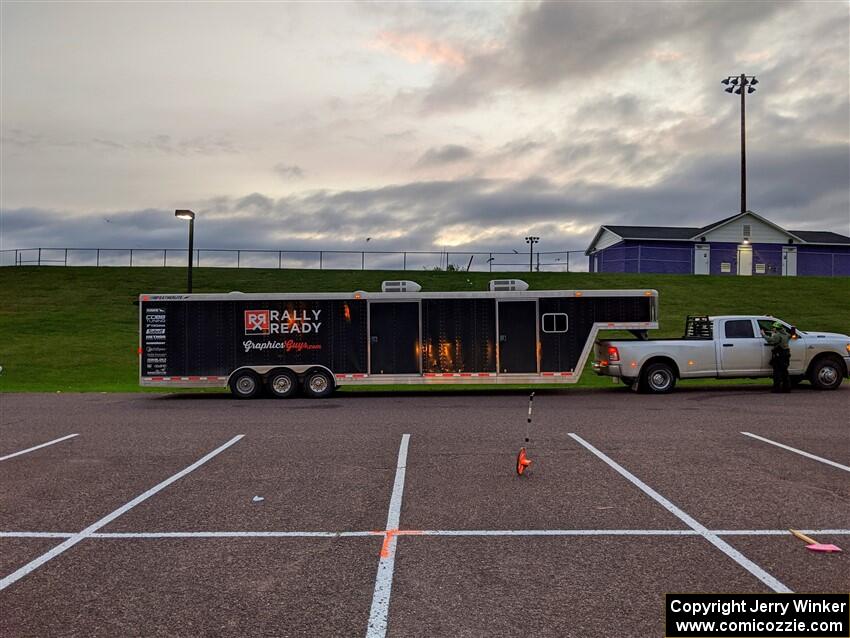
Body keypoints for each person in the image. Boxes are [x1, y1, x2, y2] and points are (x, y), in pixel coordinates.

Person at [761, 321, 791, 393]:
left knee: (777, 372)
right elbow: (789, 336)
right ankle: (787, 388)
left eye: (773, 328)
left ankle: (776, 389)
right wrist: (773, 334)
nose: (772, 329)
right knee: (785, 372)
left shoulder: (777, 335)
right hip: (786, 354)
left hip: (779, 355)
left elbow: (771, 341)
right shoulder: (786, 334)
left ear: (776, 328)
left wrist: (763, 334)